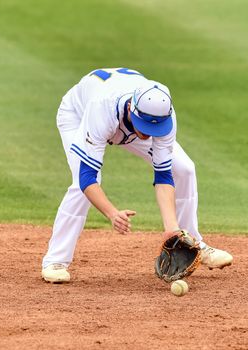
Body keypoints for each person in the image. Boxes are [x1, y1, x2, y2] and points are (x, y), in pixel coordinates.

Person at [42, 68, 233, 283]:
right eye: (145, 127)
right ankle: (55, 260)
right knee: (80, 183)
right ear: (132, 108)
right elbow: (88, 178)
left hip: (126, 118)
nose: (148, 134)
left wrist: (171, 230)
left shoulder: (162, 114)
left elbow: (163, 175)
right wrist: (112, 214)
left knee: (184, 168)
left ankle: (192, 243)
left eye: (155, 127)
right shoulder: (102, 109)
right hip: (78, 116)